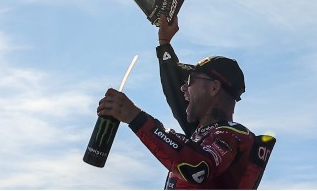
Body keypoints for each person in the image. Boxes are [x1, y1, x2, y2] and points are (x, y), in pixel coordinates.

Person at [97, 15, 275, 189]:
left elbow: (200, 168)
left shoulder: (235, 135)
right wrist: (165, 44)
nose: (183, 88)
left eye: (190, 81)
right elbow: (175, 93)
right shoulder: (201, 134)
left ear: (214, 88)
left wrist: (136, 118)